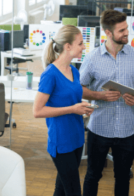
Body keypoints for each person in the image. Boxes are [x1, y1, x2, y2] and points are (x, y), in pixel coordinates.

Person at [80, 10, 134, 196]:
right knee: (93, 175)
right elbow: (79, 88)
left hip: (128, 129)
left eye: (126, 28)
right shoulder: (92, 57)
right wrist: (100, 96)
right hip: (99, 129)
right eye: (121, 30)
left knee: (123, 177)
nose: (127, 33)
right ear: (108, 33)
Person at [33, 25, 94, 196]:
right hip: (61, 141)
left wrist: (82, 107)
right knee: (74, 191)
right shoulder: (50, 74)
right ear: (68, 46)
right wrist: (73, 109)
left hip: (76, 137)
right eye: (80, 43)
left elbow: (69, 99)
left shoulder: (73, 70)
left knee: (61, 190)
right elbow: (37, 111)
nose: (83, 47)